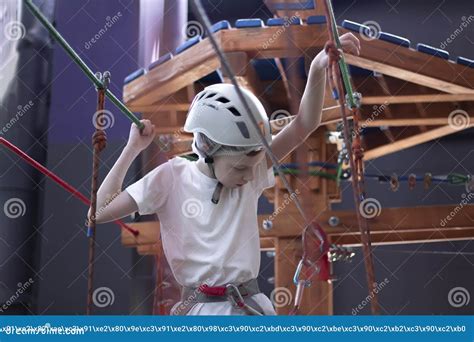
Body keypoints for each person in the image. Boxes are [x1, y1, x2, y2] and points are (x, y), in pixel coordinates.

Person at [91, 32, 360, 315]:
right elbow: (99, 211)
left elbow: (305, 124)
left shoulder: (254, 169)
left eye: (253, 163)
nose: (248, 174)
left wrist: (317, 66)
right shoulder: (171, 178)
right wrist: (132, 148)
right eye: (240, 167)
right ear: (207, 149)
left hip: (250, 310)